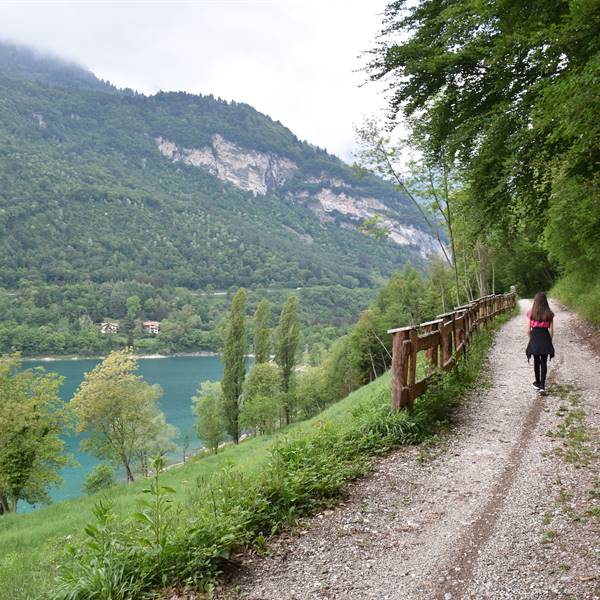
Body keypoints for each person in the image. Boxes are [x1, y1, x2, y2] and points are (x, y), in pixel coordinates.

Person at [526, 292, 555, 395]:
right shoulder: (549, 314)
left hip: (535, 337)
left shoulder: (531, 312)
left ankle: (537, 383)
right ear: (545, 302)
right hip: (545, 337)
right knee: (544, 362)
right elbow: (551, 331)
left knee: (536, 361)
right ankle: (542, 387)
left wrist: (531, 340)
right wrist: (549, 342)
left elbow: (528, 330)